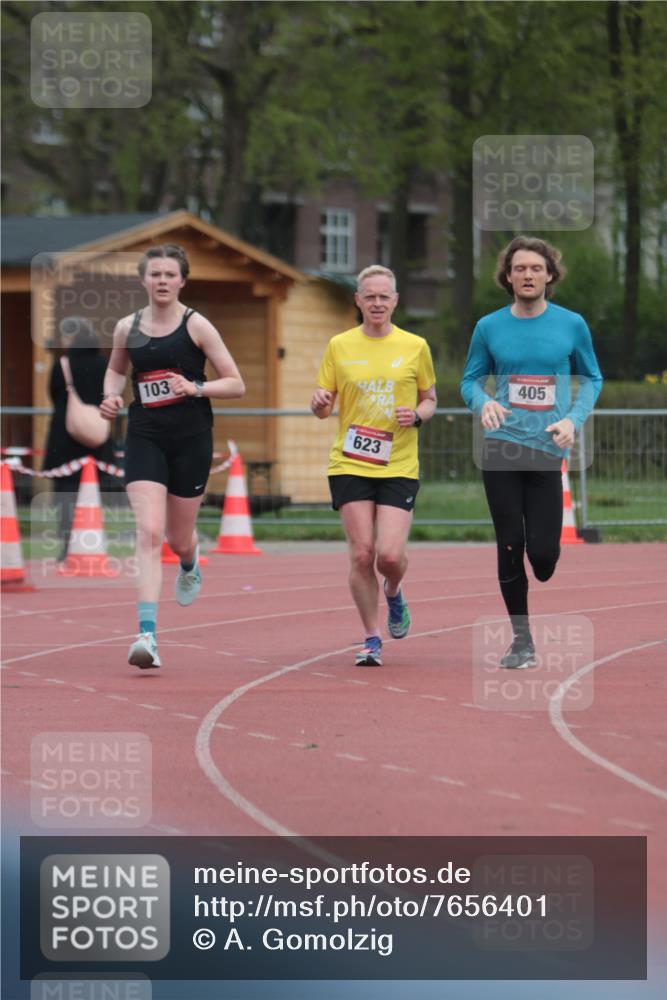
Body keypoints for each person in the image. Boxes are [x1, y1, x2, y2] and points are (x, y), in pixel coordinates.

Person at [460, 236, 603, 668]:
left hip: (547, 449)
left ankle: (542, 562)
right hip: (501, 448)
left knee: (542, 558)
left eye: (536, 268)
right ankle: (522, 642)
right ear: (507, 277)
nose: (527, 275)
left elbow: (592, 378)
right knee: (509, 544)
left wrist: (573, 419)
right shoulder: (488, 327)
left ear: (549, 275)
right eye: (519, 268)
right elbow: (469, 381)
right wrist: (483, 403)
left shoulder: (571, 324)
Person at [100, 244, 245, 669]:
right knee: (148, 531)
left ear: (182, 280)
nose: (162, 281)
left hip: (191, 439)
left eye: (169, 274)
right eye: (155, 274)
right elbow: (116, 370)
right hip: (145, 436)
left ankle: (189, 560)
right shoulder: (127, 327)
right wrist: (110, 396)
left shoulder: (197, 325)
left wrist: (196, 388)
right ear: (143, 280)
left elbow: (236, 383)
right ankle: (147, 635)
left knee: (178, 539)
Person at [311, 265, 437, 666]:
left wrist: (416, 415)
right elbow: (323, 405)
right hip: (350, 461)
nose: (377, 303)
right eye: (370, 296)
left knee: (389, 556)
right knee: (362, 554)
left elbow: (430, 399)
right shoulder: (340, 345)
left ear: (395, 301)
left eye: (384, 296)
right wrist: (318, 403)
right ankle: (371, 637)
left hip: (397, 463)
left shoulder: (415, 345)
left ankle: (394, 592)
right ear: (358, 300)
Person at [43, 318, 115, 562]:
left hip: (65, 438)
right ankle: (91, 543)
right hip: (97, 436)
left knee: (65, 494)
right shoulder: (103, 364)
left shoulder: (62, 365)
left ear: (72, 338)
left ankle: (67, 547)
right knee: (92, 493)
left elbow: (54, 394)